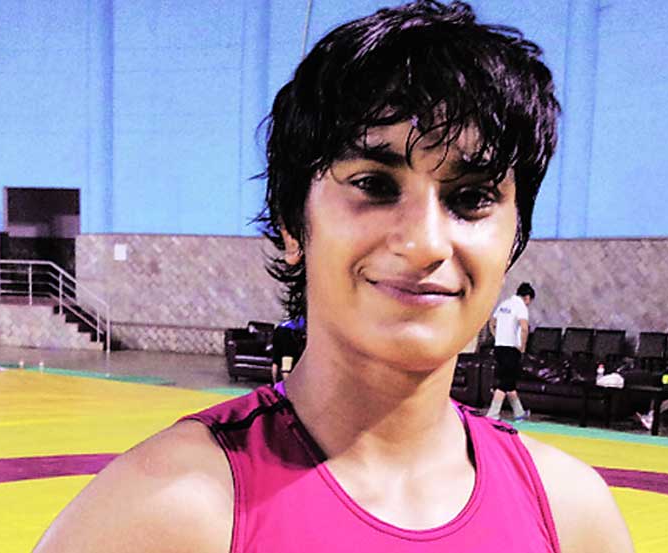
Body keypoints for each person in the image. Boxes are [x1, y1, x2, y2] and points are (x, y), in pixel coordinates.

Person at [34, 2, 633, 551]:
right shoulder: (165, 512)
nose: (425, 243)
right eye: (374, 185)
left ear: (514, 235)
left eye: (472, 197)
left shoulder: (571, 515)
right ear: (292, 223)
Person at [485, 282, 535, 421]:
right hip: (512, 348)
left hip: (499, 347)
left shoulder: (504, 304)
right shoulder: (521, 306)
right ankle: (492, 414)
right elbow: (524, 328)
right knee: (505, 382)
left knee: (509, 381)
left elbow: (491, 322)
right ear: (527, 297)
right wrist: (522, 347)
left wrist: (496, 336)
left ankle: (519, 413)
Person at [270, 315, 306, 382]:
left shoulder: (295, 317)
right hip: (288, 333)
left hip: (278, 330)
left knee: (276, 361)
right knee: (286, 364)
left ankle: (275, 385)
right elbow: (302, 329)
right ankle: (287, 387)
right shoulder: (304, 318)